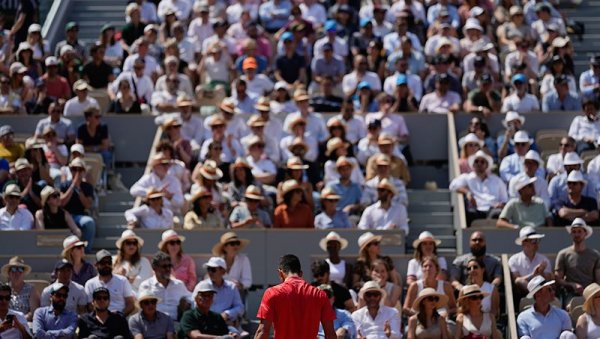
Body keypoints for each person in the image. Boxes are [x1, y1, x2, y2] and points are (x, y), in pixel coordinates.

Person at [255, 254, 336, 339]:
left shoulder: (272, 293)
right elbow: (330, 334)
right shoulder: (320, 295)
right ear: (301, 273)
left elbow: (262, 331)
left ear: (280, 273)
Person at [449, 150, 508, 224]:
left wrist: (500, 205)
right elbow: (453, 186)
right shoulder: (467, 177)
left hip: (492, 209)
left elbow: (504, 199)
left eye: (482, 162)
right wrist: (467, 193)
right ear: (473, 164)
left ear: (487, 165)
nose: (479, 164)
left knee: (498, 214)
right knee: (467, 214)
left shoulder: (497, 180)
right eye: (476, 161)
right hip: (475, 209)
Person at [138, 251, 192, 321]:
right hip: (154, 324)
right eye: (164, 266)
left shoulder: (179, 285)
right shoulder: (146, 285)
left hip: (175, 323)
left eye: (169, 266)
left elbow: (191, 299)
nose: (168, 269)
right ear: (154, 268)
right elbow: (142, 307)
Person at [58, 158, 96, 252]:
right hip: (65, 215)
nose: (77, 172)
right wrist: (72, 186)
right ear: (70, 170)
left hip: (80, 215)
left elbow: (87, 205)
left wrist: (78, 189)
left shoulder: (87, 187)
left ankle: (86, 252)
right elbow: (61, 203)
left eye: (80, 169)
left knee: (89, 222)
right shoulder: (64, 185)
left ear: (84, 172)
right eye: (74, 169)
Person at [555, 218, 600, 298]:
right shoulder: (563, 254)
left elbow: (598, 279)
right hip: (570, 294)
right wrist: (572, 285)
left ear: (585, 233)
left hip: (591, 294)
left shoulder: (595, 255)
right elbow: (558, 279)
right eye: (574, 231)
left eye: (579, 231)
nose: (576, 234)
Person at [84, 250, 136, 316]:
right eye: (103, 263)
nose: (107, 265)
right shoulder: (90, 284)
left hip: (119, 318)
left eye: (109, 262)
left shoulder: (122, 280)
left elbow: (130, 304)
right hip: (99, 320)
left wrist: (121, 315)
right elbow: (90, 306)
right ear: (96, 265)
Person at [198, 257, 245, 331]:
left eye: (213, 270)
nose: (210, 272)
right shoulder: (201, 285)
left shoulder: (231, 287)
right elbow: (195, 305)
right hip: (206, 324)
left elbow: (240, 307)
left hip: (226, 324)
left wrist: (227, 314)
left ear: (223, 271)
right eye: (208, 269)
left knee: (234, 333)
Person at [509, 227, 554, 297]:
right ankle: (535, 294)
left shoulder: (544, 260)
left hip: (542, 293)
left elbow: (548, 281)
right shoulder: (514, 259)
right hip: (521, 294)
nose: (536, 244)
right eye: (533, 241)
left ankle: (537, 295)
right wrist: (532, 275)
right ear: (524, 243)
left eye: (537, 240)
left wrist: (541, 273)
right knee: (520, 281)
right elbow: (516, 280)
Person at [1, 257, 39, 321]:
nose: (17, 273)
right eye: (13, 269)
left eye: (20, 269)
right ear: (8, 273)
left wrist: (19, 320)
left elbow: (34, 313)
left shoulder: (31, 290)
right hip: (5, 323)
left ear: (23, 273)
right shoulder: (3, 289)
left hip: (25, 323)